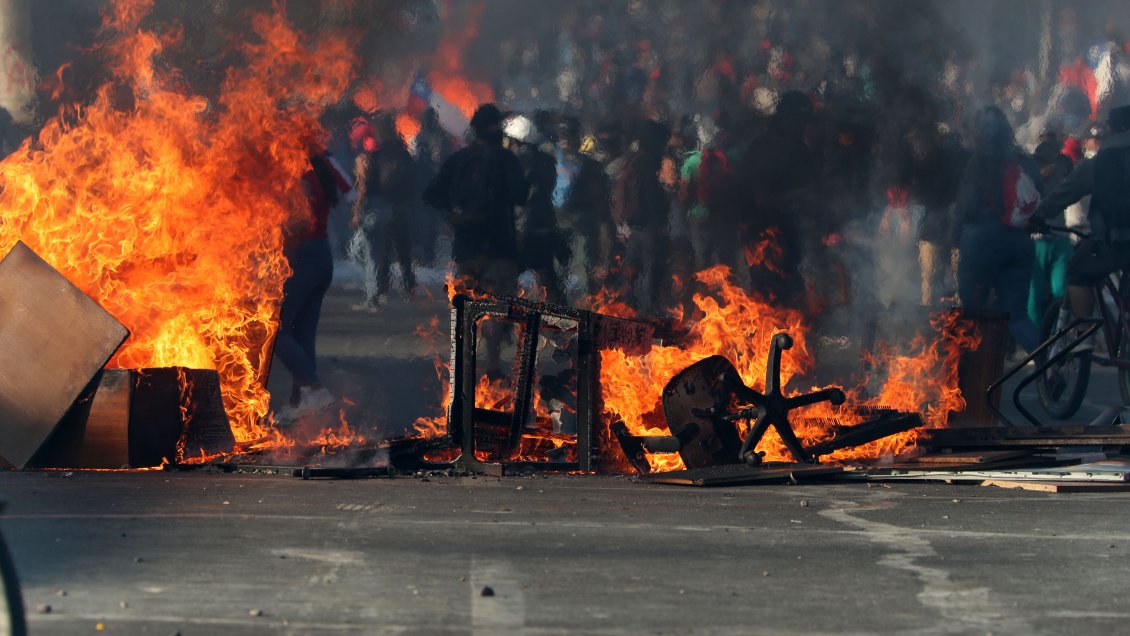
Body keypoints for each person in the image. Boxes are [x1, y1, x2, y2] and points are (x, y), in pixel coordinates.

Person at [1031, 105, 1130, 346]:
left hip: (1114, 242)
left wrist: (1038, 216)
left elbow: (1067, 192)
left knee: (1077, 271)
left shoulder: (1104, 161)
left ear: (1114, 130)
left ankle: (1084, 333)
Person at [954, 106, 1043, 353]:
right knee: (1017, 317)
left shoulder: (979, 162)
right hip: (1021, 244)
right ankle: (1050, 368)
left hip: (981, 243)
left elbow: (966, 206)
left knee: (973, 313)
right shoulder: (1025, 161)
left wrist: (952, 235)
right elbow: (1038, 199)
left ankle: (972, 374)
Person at [276, 146, 352, 421]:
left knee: (276, 330)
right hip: (321, 255)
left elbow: (296, 221)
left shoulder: (303, 177)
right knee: (301, 332)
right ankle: (300, 402)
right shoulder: (321, 171)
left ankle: (313, 387)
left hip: (303, 257)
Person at [424, 103, 528, 297]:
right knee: (500, 312)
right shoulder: (506, 159)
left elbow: (431, 194)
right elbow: (521, 195)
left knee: (467, 313)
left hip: (466, 248)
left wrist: (454, 215)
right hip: (499, 246)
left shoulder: (458, 160)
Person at [505, 113, 568, 304]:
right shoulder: (546, 161)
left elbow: (526, 201)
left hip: (524, 231)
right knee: (549, 282)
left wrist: (519, 232)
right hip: (545, 229)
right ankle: (559, 324)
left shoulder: (517, 162)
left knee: (506, 283)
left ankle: (503, 326)